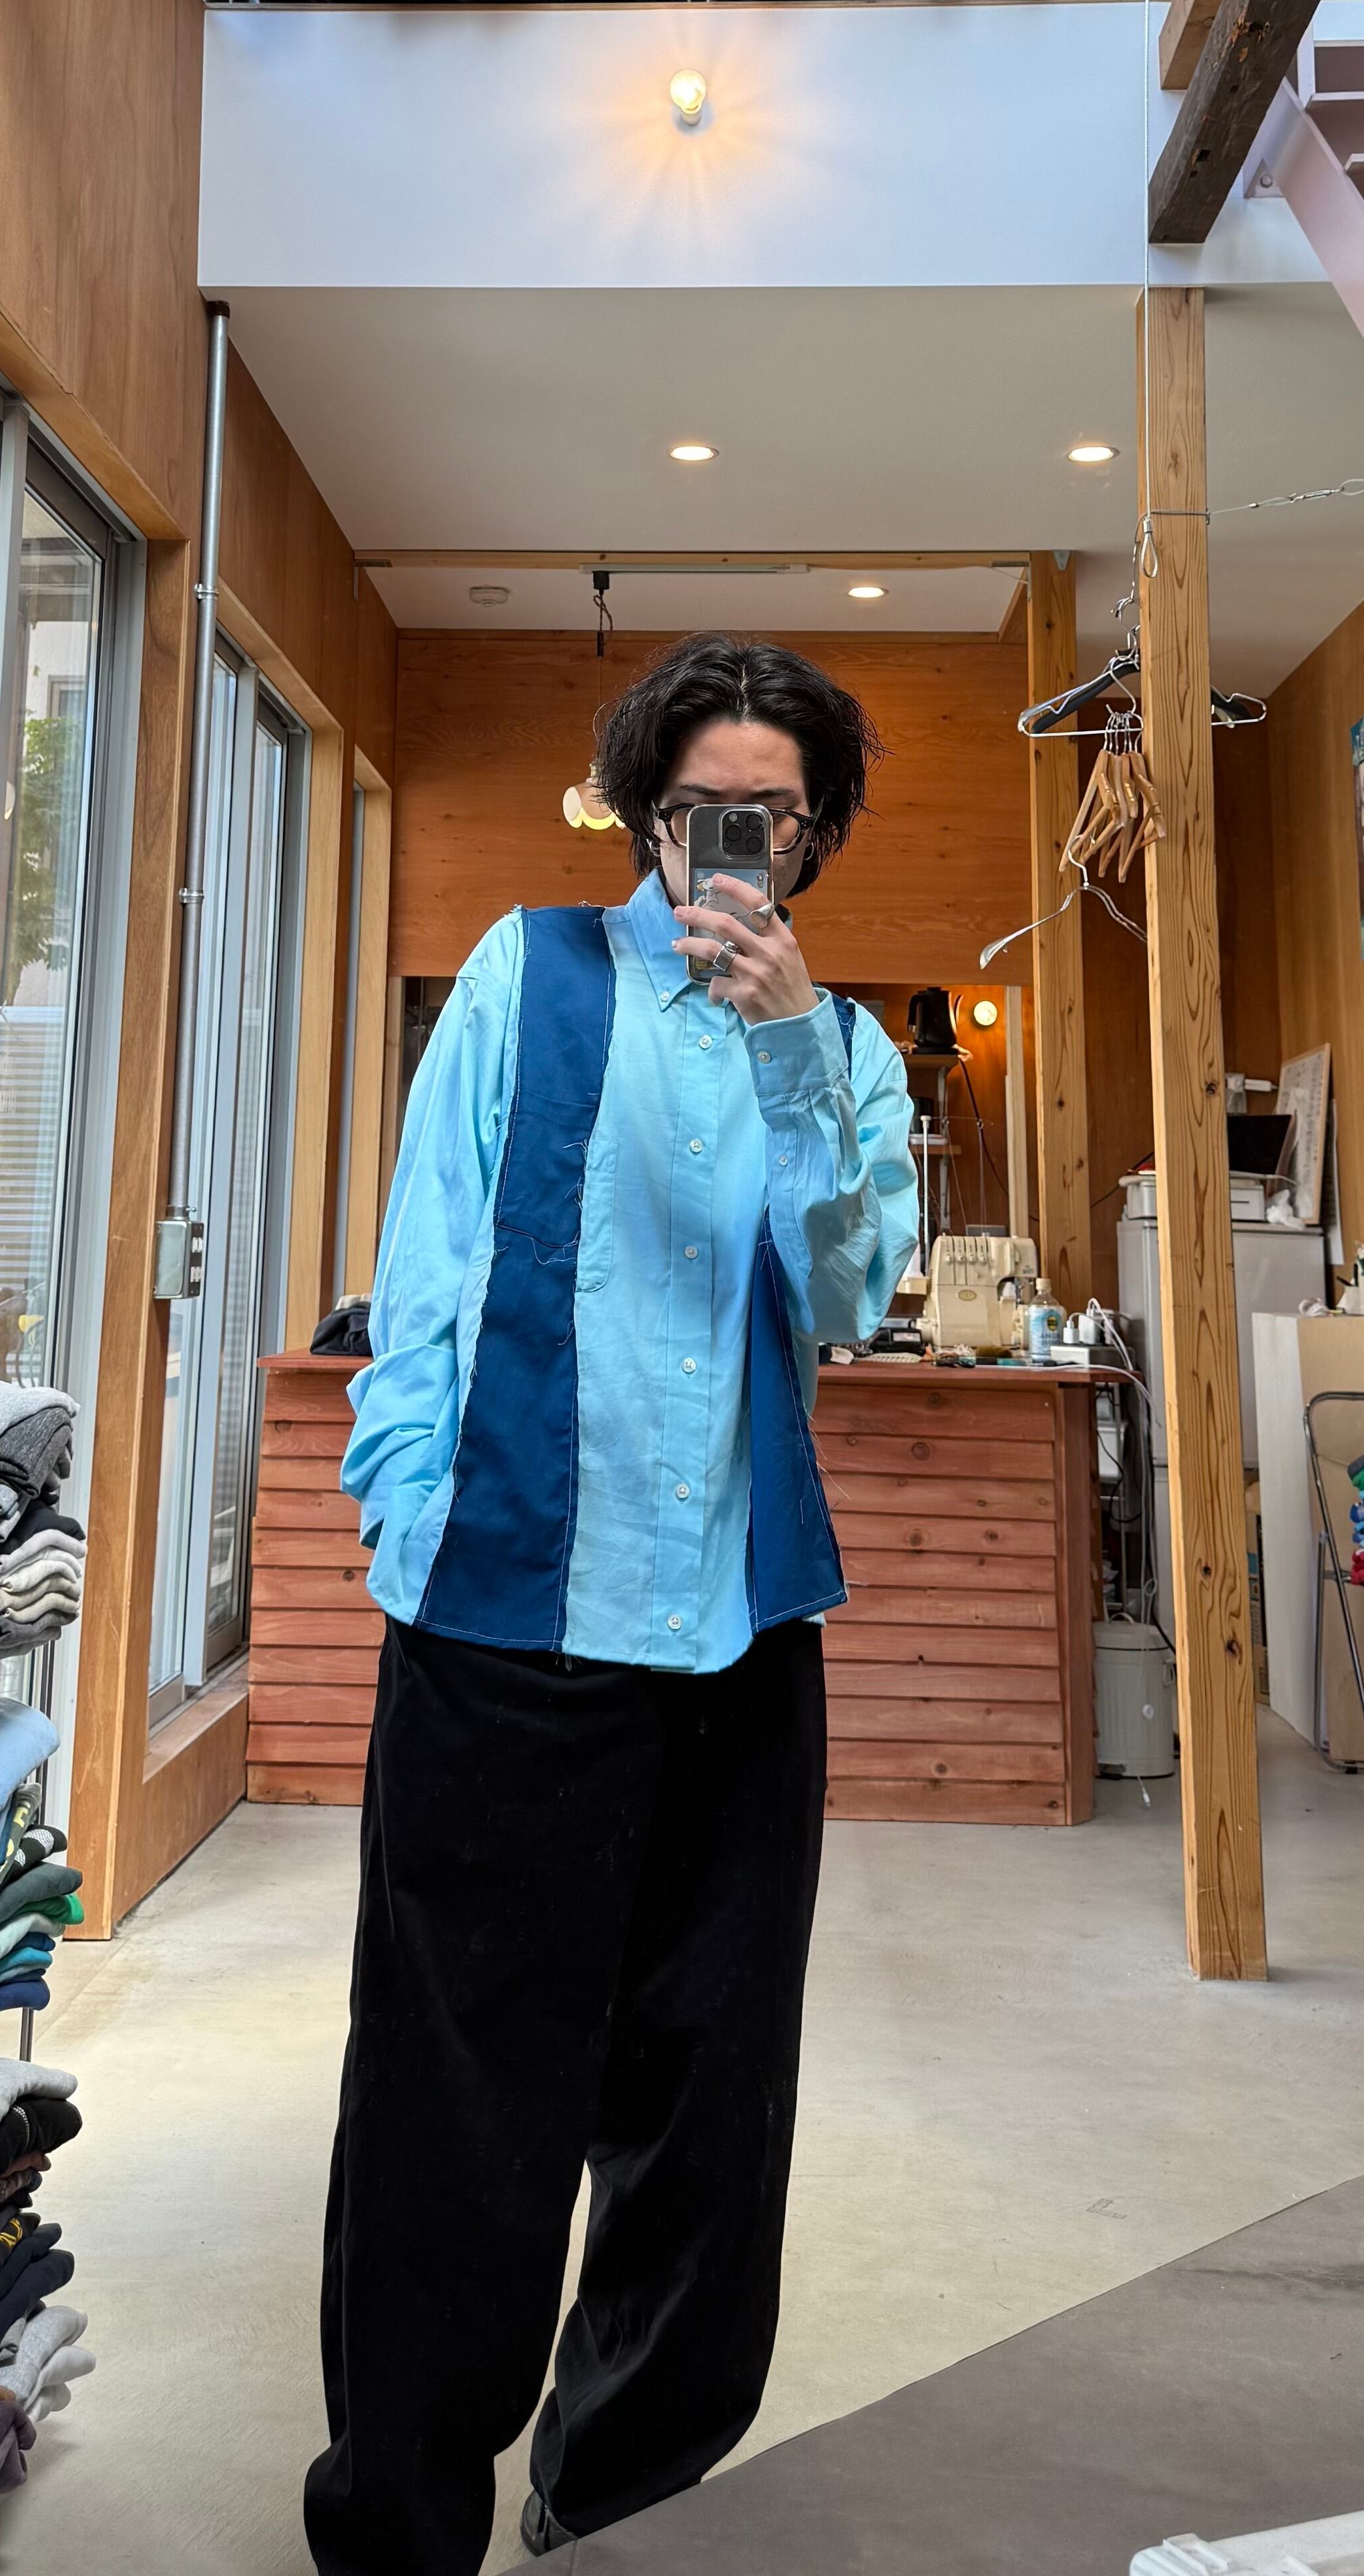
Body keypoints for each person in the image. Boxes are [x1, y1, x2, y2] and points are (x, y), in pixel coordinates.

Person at [304, 635, 919, 2576]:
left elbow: (849, 1303)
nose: (734, 846)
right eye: (702, 810)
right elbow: (426, 1255)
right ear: (649, 813)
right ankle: (401, 2524)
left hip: (738, 1644)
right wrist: (406, 1506)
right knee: (456, 2100)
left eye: (773, 819)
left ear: (813, 839)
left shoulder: (852, 1052)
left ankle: (624, 2505)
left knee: (708, 2110)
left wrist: (793, 1056)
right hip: (503, 1624)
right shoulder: (527, 972)